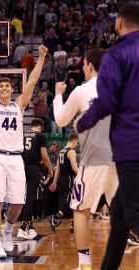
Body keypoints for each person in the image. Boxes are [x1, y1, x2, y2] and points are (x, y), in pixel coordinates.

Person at [74, 3, 139, 269]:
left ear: (120, 24)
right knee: (121, 214)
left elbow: (107, 100)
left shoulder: (117, 54)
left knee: (134, 216)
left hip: (130, 145)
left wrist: (83, 122)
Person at [0, 44, 47, 259]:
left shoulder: (19, 106)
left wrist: (41, 57)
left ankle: (8, 230)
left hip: (16, 159)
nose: (5, 88)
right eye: (2, 86)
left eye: (7, 86)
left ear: (11, 89)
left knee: (18, 203)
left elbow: (32, 81)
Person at [53, 48, 118, 269]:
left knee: (80, 211)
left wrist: (58, 95)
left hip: (94, 159)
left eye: (83, 65)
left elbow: (61, 120)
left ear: (89, 65)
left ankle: (84, 263)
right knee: (125, 212)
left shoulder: (82, 91)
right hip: (123, 159)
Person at [17, 118, 53, 240]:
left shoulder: (22, 135)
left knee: (22, 198)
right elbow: (44, 155)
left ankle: (30, 226)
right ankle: (23, 228)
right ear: (40, 127)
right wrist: (50, 169)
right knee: (30, 198)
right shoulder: (41, 136)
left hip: (21, 168)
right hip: (33, 169)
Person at [49, 133, 78, 232]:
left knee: (70, 201)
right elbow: (74, 168)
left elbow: (57, 169)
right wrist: (83, 175)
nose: (76, 146)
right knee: (70, 201)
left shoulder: (61, 151)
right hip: (69, 178)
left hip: (62, 179)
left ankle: (73, 225)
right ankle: (55, 218)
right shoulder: (71, 152)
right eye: (76, 143)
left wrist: (54, 182)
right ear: (74, 141)